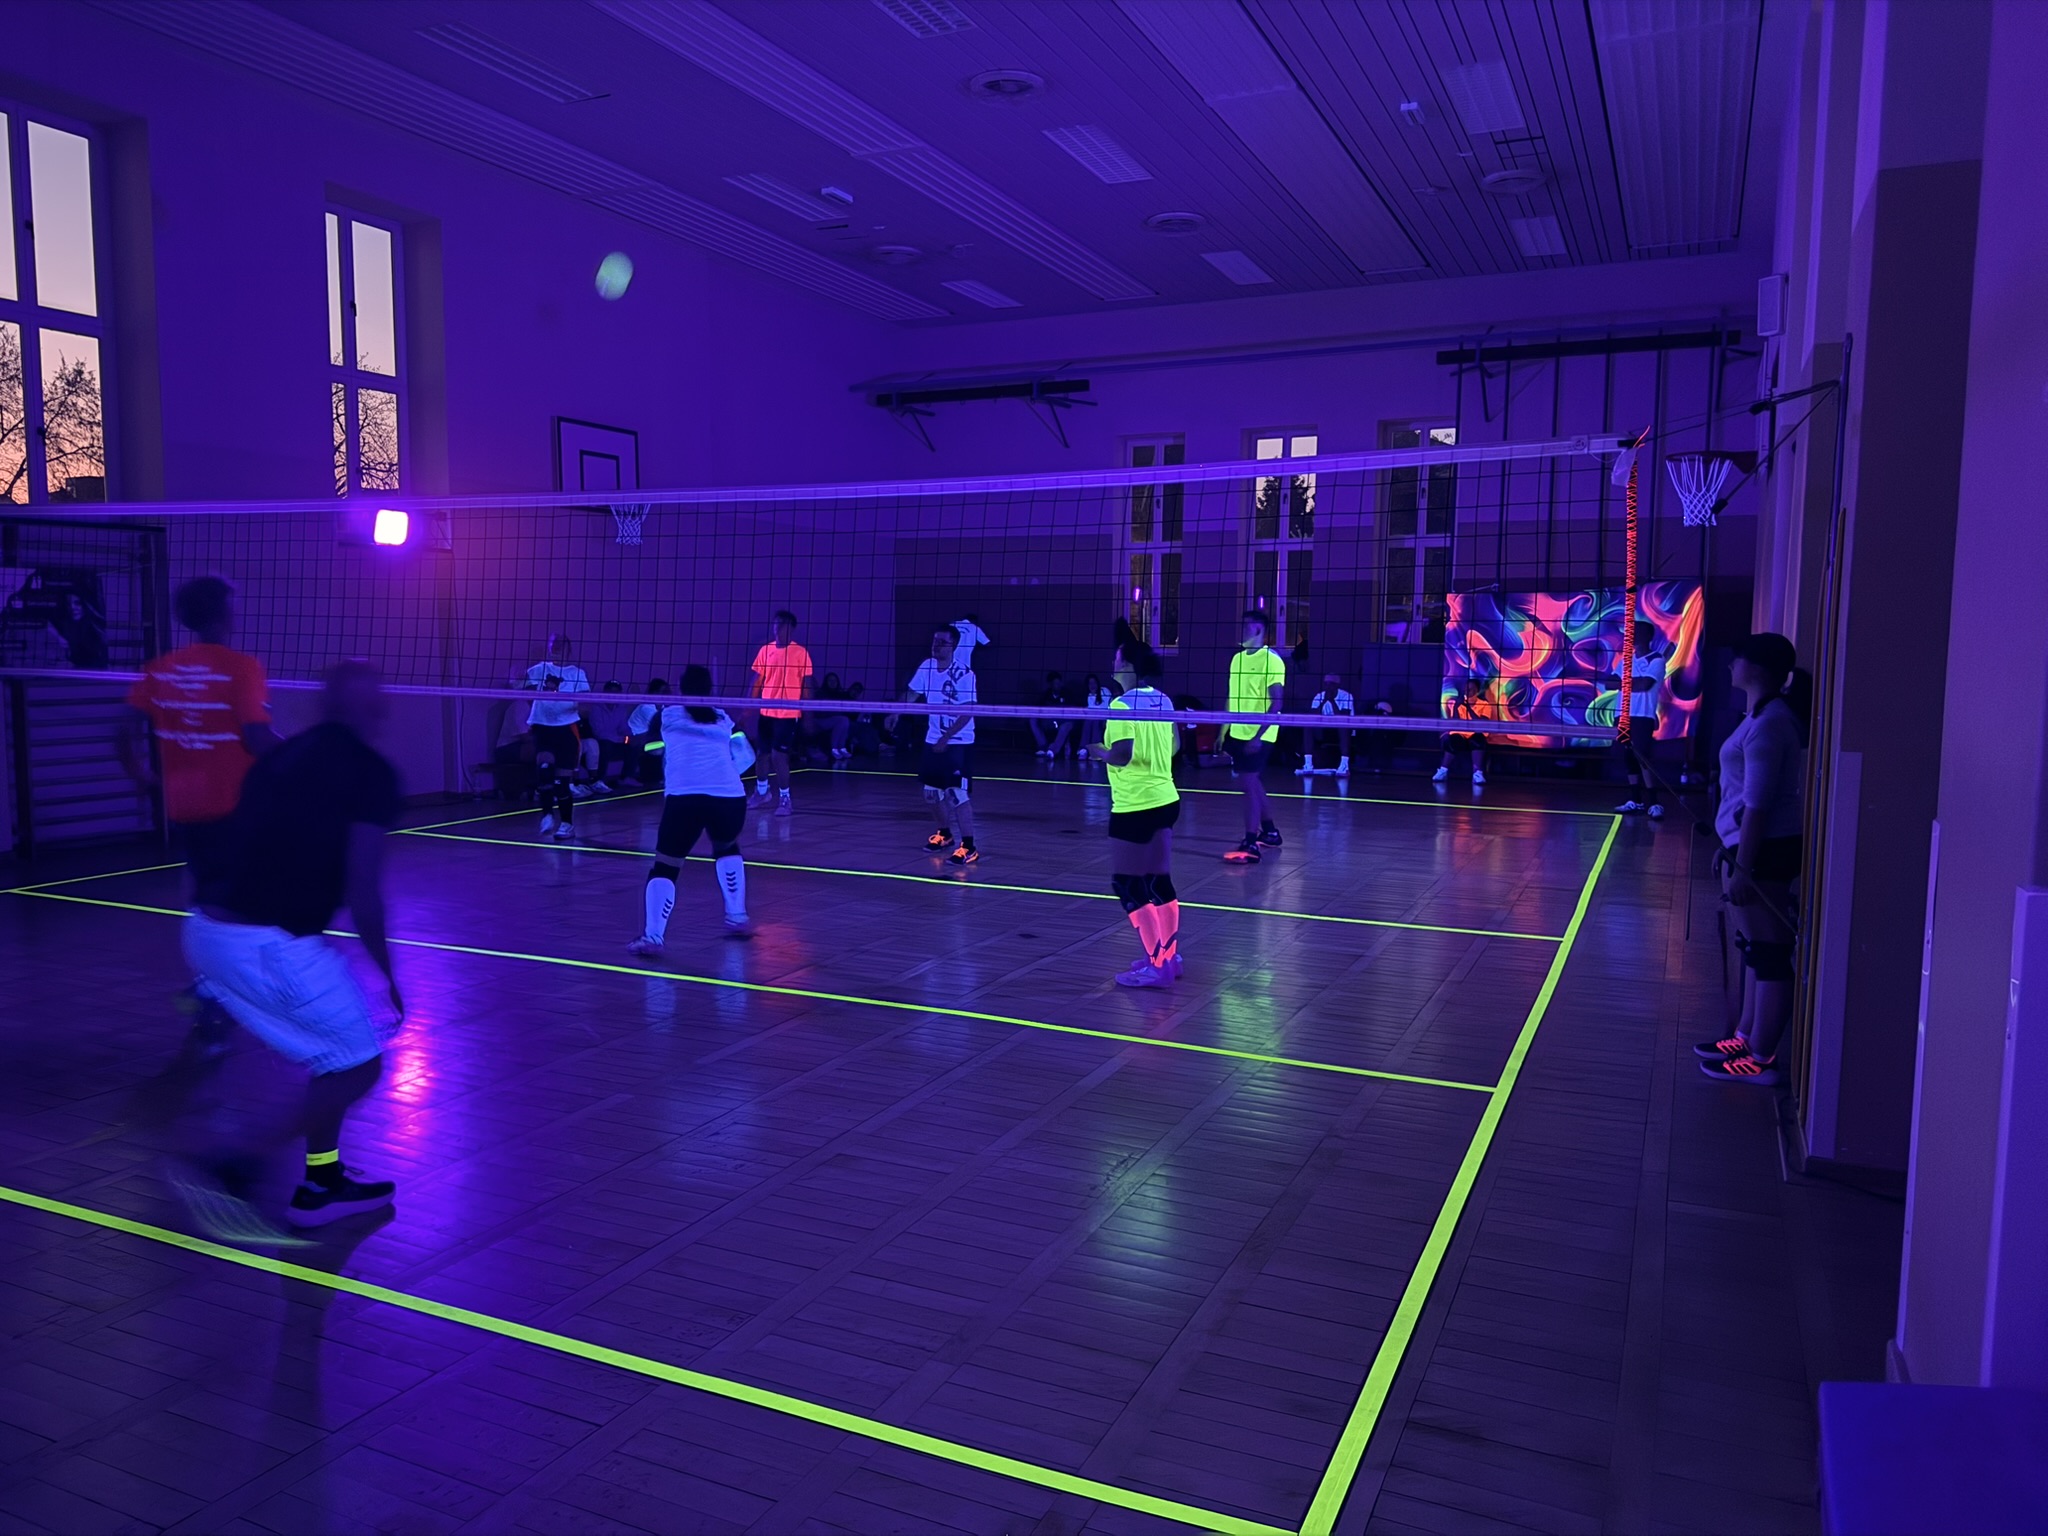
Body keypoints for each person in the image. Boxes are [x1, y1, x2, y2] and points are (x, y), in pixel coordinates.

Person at [171, 661, 403, 1238]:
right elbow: (363, 892)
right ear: (375, 709)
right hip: (265, 945)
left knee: (334, 1054)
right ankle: (241, 1164)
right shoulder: (371, 773)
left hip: (206, 931)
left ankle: (322, 1183)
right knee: (360, 1064)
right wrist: (389, 976)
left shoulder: (281, 756)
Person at [119, 576, 281, 908]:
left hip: (184, 803)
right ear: (224, 611)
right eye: (233, 604)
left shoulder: (160, 668)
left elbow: (121, 729)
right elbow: (257, 738)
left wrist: (140, 773)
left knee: (207, 887)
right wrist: (305, 756)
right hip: (233, 804)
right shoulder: (243, 668)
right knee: (243, 898)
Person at [1698, 634, 1811, 1084]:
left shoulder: (1771, 723)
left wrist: (1743, 864)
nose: (1730, 667)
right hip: (1748, 847)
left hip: (1765, 851)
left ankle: (1762, 1058)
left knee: (1769, 951)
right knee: (1753, 946)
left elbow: (1759, 804)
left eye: (1737, 660)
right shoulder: (1761, 717)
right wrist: (1729, 850)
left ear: (1757, 669)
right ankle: (1745, 1037)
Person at [629, 665, 755, 952]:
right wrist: (721, 774)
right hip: (729, 798)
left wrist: (668, 754)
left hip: (684, 797)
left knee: (666, 865)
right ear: (710, 689)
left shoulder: (665, 715)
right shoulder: (723, 717)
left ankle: (653, 936)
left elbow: (650, 751)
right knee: (727, 847)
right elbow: (747, 756)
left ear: (680, 688)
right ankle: (737, 916)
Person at [1104, 640, 1182, 988]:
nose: (1113, 661)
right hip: (1166, 798)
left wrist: (1098, 752)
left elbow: (1121, 754)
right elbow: (1175, 745)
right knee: (1158, 880)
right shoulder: (1163, 699)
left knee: (1128, 883)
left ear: (1127, 666)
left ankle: (1157, 965)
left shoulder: (1120, 705)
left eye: (1117, 657)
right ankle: (1169, 958)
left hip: (1134, 804)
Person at [897, 623, 979, 865]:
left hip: (959, 742)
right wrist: (894, 712)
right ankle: (944, 834)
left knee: (955, 793)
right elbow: (912, 694)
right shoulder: (927, 666)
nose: (937, 646)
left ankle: (969, 846)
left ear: (953, 646)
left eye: (942, 642)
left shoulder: (965, 674)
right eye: (935, 641)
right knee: (931, 793)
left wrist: (946, 738)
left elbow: (967, 712)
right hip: (933, 739)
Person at [1222, 609, 1286, 863]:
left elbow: (1277, 702)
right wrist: (1223, 729)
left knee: (1248, 784)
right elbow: (1232, 698)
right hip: (1238, 732)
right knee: (1251, 782)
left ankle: (1250, 842)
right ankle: (1270, 832)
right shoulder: (1236, 659)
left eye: (1246, 625)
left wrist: (1258, 736)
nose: (1241, 629)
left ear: (1258, 629)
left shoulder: (1272, 660)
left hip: (1261, 733)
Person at [522, 634, 589, 840]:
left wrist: (570, 707)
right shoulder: (538, 669)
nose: (557, 648)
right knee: (544, 769)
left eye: (561, 645)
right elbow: (527, 694)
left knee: (561, 781)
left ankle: (567, 824)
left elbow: (585, 704)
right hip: (543, 727)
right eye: (553, 644)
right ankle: (547, 815)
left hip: (566, 728)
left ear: (569, 649)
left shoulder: (577, 673)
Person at [749, 610, 813, 817]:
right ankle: (762, 792)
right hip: (766, 712)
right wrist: (746, 707)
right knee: (762, 754)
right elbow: (757, 681)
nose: (777, 627)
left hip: (788, 714)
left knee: (779, 756)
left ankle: (785, 798)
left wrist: (807, 714)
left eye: (782, 623)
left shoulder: (800, 653)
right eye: (776, 623)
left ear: (791, 628)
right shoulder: (765, 650)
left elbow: (806, 685)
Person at [1615, 620, 1667, 819]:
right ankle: (1635, 800)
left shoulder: (1656, 659)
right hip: (1622, 714)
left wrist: (1623, 683)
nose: (1632, 636)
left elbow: (1645, 685)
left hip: (1642, 714)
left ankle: (1654, 802)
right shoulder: (1626, 660)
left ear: (1647, 636)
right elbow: (1610, 683)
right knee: (1628, 757)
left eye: (1636, 632)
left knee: (1643, 757)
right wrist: (1628, 683)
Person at [579, 680, 633, 798]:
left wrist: (629, 736)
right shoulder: (596, 708)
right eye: (611, 692)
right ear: (605, 692)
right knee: (605, 745)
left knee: (633, 745)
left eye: (617, 692)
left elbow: (623, 727)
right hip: (599, 741)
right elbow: (599, 733)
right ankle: (598, 780)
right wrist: (620, 739)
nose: (614, 695)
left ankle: (626, 777)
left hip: (615, 741)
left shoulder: (620, 708)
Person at [1435, 678, 1489, 787]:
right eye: (1466, 689)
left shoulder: (1485, 704)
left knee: (1478, 740)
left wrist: (1468, 708)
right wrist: (1456, 707)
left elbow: (1481, 723)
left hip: (1475, 734)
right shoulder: (1458, 703)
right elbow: (1455, 722)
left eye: (1470, 689)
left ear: (1477, 691)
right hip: (1460, 735)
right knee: (1453, 740)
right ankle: (1443, 771)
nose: (1467, 692)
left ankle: (1477, 773)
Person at [1301, 672, 1357, 777]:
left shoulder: (1346, 696)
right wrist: (1323, 701)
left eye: (1331, 684)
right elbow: (1313, 716)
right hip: (1324, 731)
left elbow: (1343, 718)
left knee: (1343, 727)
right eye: (1326, 684)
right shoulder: (1319, 696)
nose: (1328, 687)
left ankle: (1344, 765)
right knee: (1307, 726)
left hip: (1343, 731)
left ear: (1337, 685)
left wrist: (1332, 701)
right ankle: (1308, 764)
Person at [624, 676, 671, 785]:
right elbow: (659, 728)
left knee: (667, 744)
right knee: (664, 746)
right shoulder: (646, 707)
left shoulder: (661, 707)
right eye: (663, 692)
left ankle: (663, 776)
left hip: (648, 739)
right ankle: (663, 778)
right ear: (654, 692)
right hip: (635, 741)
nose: (665, 694)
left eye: (666, 692)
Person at [1031, 671, 1076, 760]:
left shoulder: (1067, 694)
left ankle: (1052, 750)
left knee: (1067, 725)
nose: (1057, 685)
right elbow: (1038, 709)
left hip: (1063, 721)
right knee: (1032, 720)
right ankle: (1043, 747)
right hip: (1049, 721)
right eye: (1055, 683)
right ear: (1051, 684)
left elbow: (1072, 710)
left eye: (1059, 683)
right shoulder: (1045, 695)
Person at [1076, 673, 1113, 761]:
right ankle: (1084, 750)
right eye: (1090, 683)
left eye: (1094, 683)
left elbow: (1111, 706)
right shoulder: (1086, 696)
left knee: (1094, 721)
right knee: (1090, 721)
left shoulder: (1105, 691)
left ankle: (1094, 751)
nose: (1092, 686)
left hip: (1104, 719)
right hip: (1091, 720)